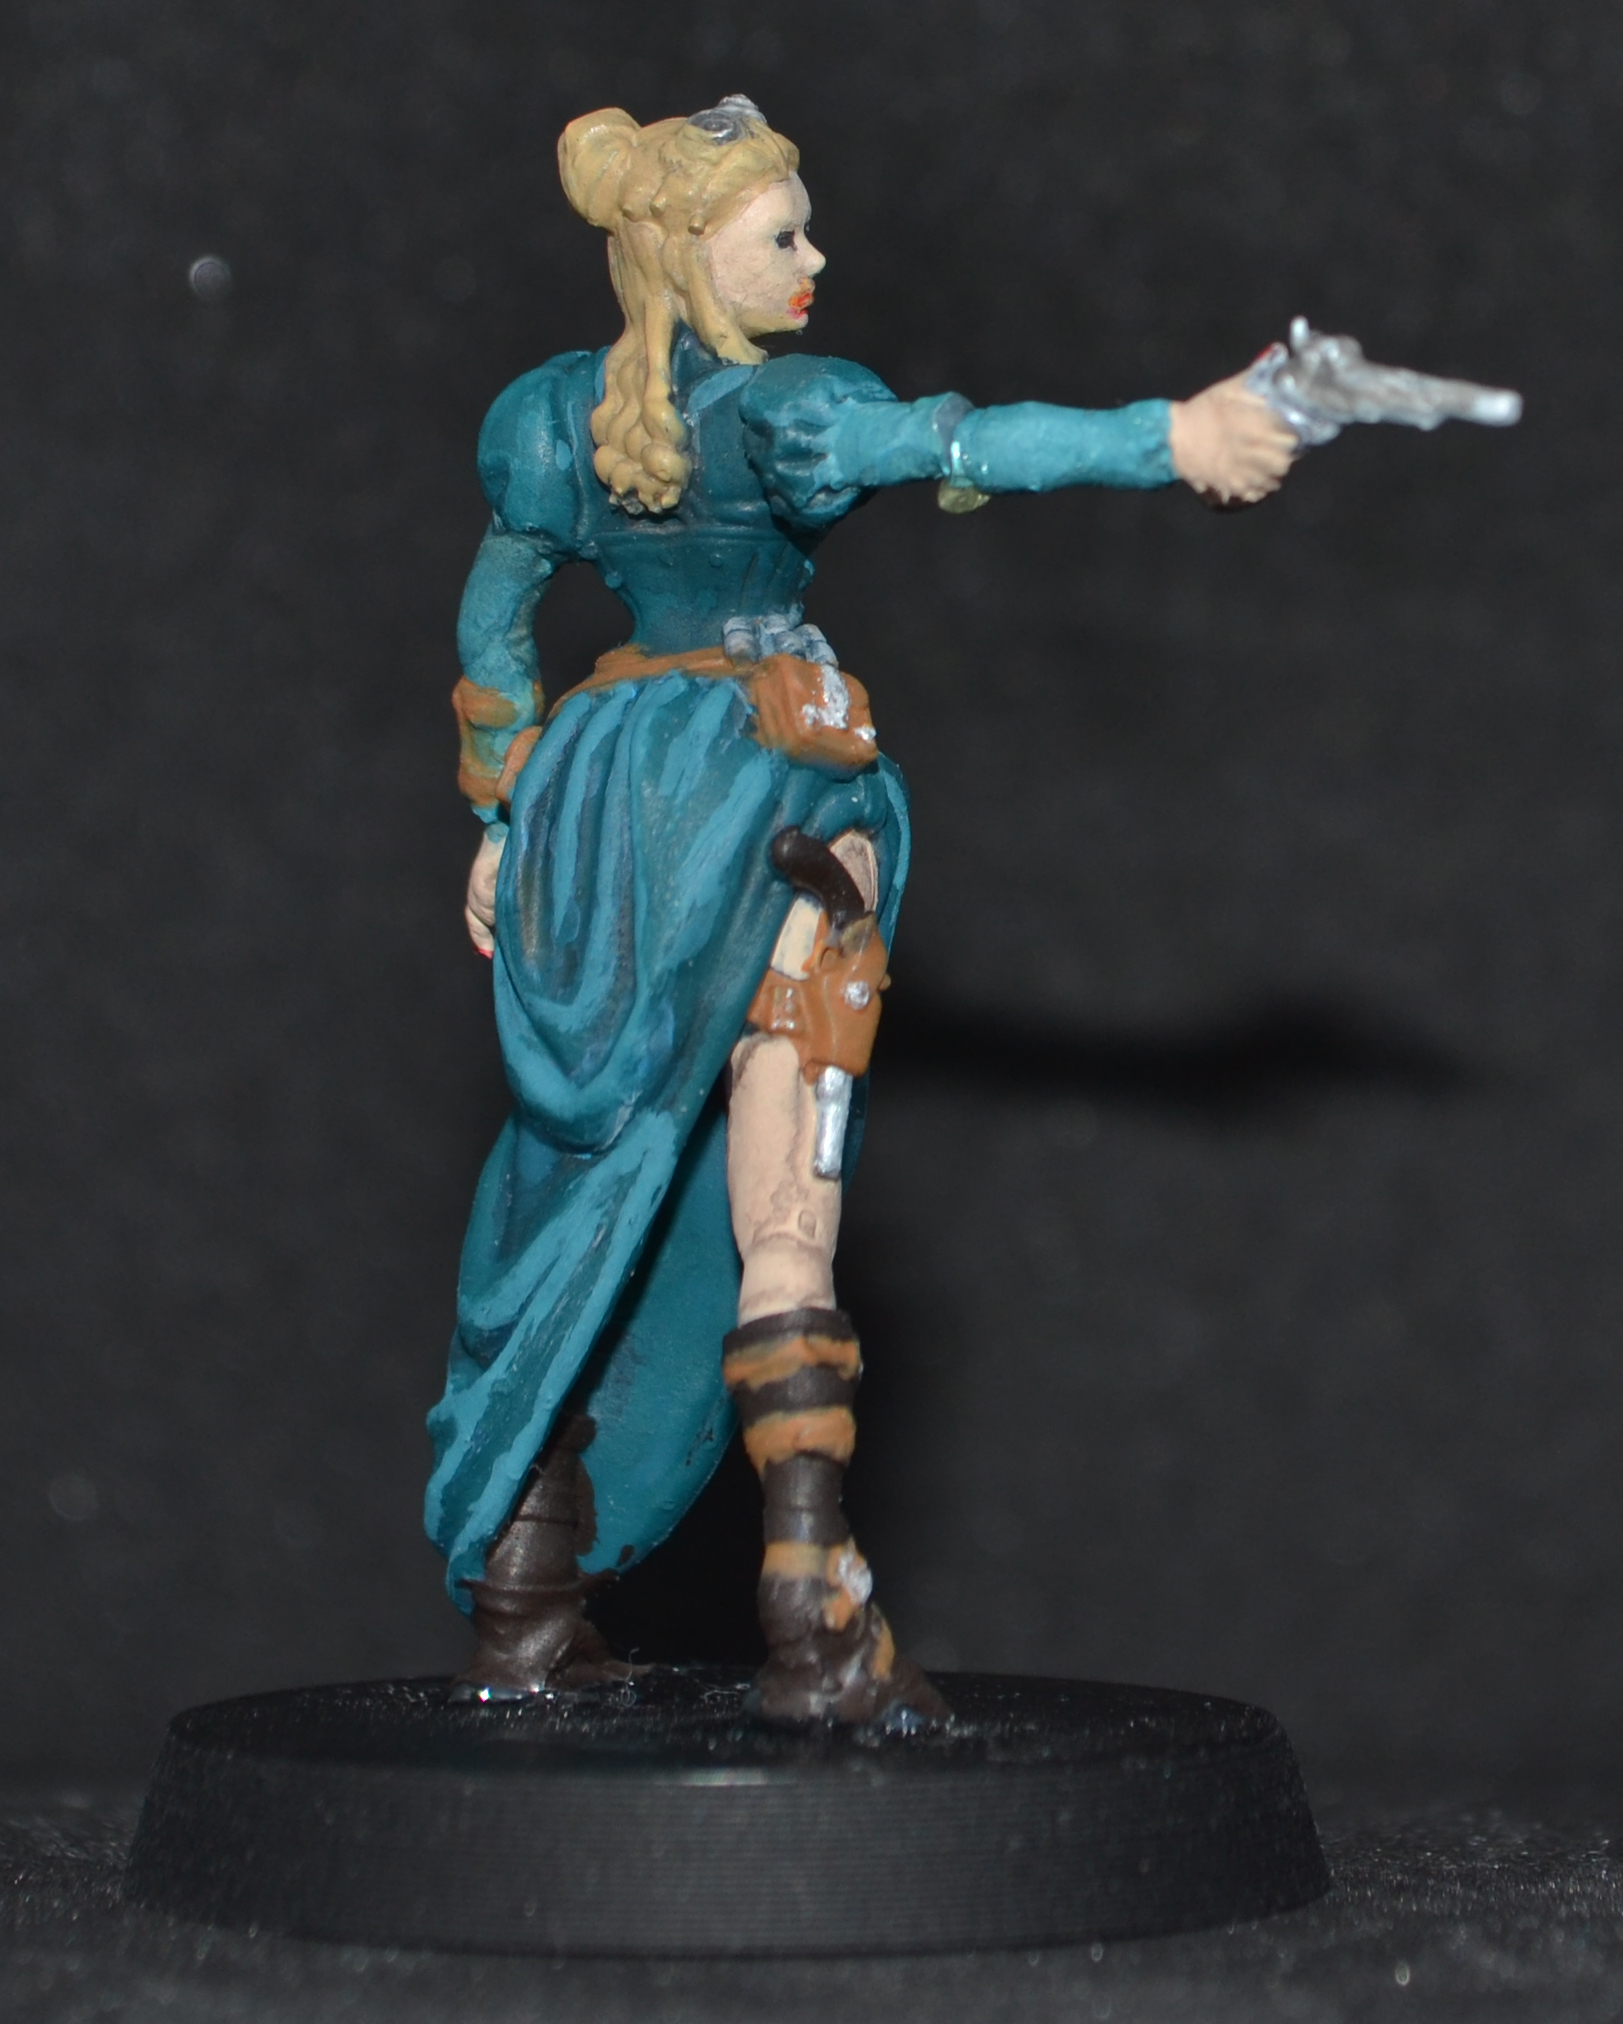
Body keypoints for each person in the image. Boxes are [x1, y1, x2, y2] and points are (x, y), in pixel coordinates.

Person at [425, 94, 1295, 1724]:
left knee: (581, 1164)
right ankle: (813, 1608)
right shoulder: (792, 409)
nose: (815, 257)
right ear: (690, 252)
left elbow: (495, 614)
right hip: (770, 787)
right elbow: (966, 443)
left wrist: (501, 811)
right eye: (783, 235)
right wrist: (1172, 437)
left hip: (600, 803)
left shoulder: (552, 418)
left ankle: (527, 1587)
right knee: (783, 1202)